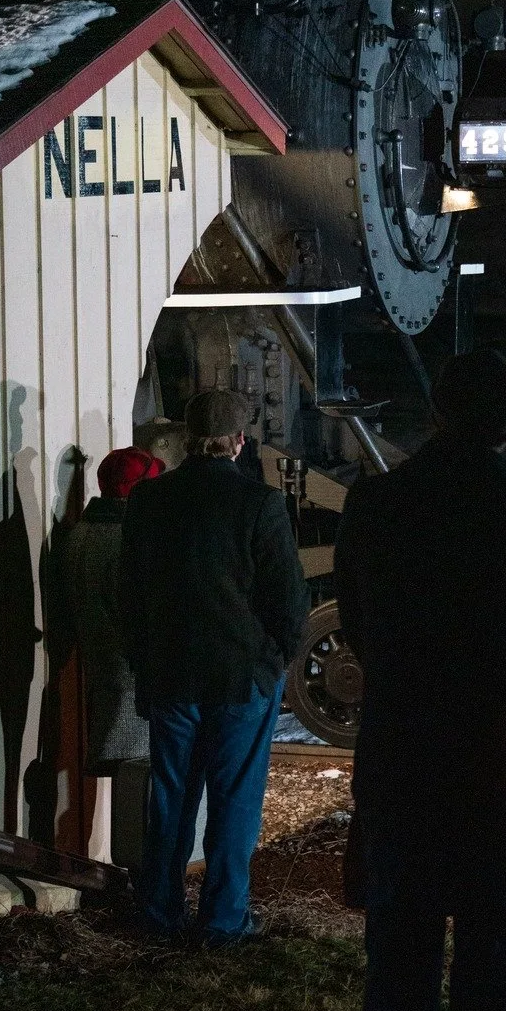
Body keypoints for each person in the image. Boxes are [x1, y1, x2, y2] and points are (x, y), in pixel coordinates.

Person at [334, 347, 506, 1011]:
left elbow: (358, 624)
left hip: (401, 750)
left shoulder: (377, 506)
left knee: (402, 943)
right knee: (496, 946)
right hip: (495, 754)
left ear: (435, 412)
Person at [120, 390, 309, 945]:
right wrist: (271, 662)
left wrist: (146, 663)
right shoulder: (259, 504)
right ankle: (224, 919)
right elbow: (289, 602)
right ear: (239, 442)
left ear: (186, 440)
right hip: (239, 678)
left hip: (172, 675)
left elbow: (130, 596)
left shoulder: (150, 501)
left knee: (172, 798)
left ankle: (160, 910)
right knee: (234, 801)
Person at [49, 445, 164, 868]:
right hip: (133, 676)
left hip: (100, 669)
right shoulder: (126, 541)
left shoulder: (78, 536)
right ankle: (134, 876)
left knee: (124, 779)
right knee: (138, 785)